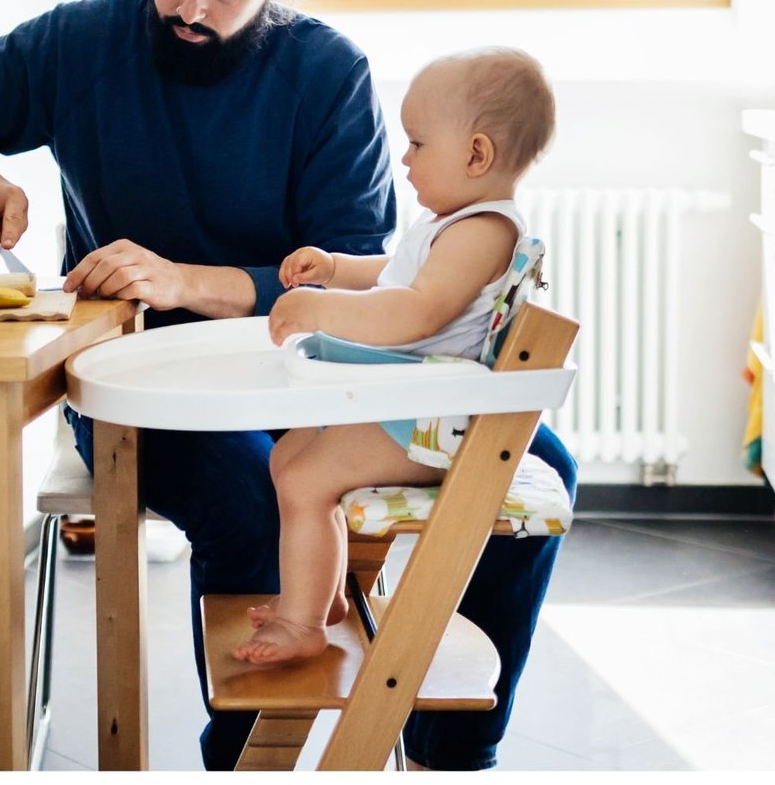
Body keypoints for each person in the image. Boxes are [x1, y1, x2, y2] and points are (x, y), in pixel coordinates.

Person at [0, 0, 579, 771]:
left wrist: (189, 281)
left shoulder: (326, 71)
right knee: (255, 500)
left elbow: (367, 270)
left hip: (308, 369)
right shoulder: (78, 44)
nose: (190, 6)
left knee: (534, 459)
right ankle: (244, 761)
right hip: (142, 385)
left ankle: (450, 750)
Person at [234, 47, 557, 666]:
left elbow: (416, 309)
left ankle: (302, 624)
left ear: (476, 154)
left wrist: (319, 309)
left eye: (416, 143)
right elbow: (396, 275)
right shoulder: (454, 226)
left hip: (434, 426)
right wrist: (334, 270)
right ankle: (320, 596)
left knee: (306, 479)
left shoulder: (482, 230)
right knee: (289, 457)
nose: (404, 159)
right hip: (413, 407)